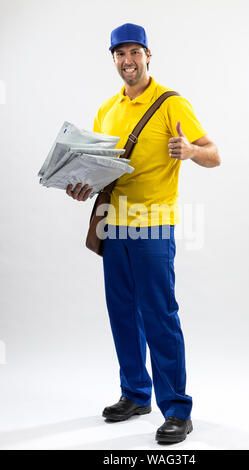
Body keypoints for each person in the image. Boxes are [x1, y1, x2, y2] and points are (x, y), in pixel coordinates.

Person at [66, 23, 221, 444]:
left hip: (153, 223)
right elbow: (102, 168)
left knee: (159, 313)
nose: (127, 61)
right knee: (121, 311)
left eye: (134, 52)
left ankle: (177, 410)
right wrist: (82, 183)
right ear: (113, 59)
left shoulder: (172, 103)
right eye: (120, 54)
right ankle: (135, 394)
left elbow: (214, 154)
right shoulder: (106, 109)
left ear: (148, 55)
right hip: (112, 223)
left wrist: (189, 151)